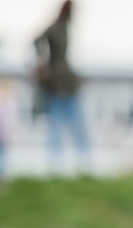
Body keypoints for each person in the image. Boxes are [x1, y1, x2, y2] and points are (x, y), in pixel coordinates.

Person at [35, 1, 91, 174]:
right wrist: (43, 64)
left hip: (68, 84)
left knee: (78, 126)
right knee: (58, 127)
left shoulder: (64, 28)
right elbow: (37, 40)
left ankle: (84, 165)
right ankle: (57, 166)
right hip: (57, 86)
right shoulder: (55, 28)